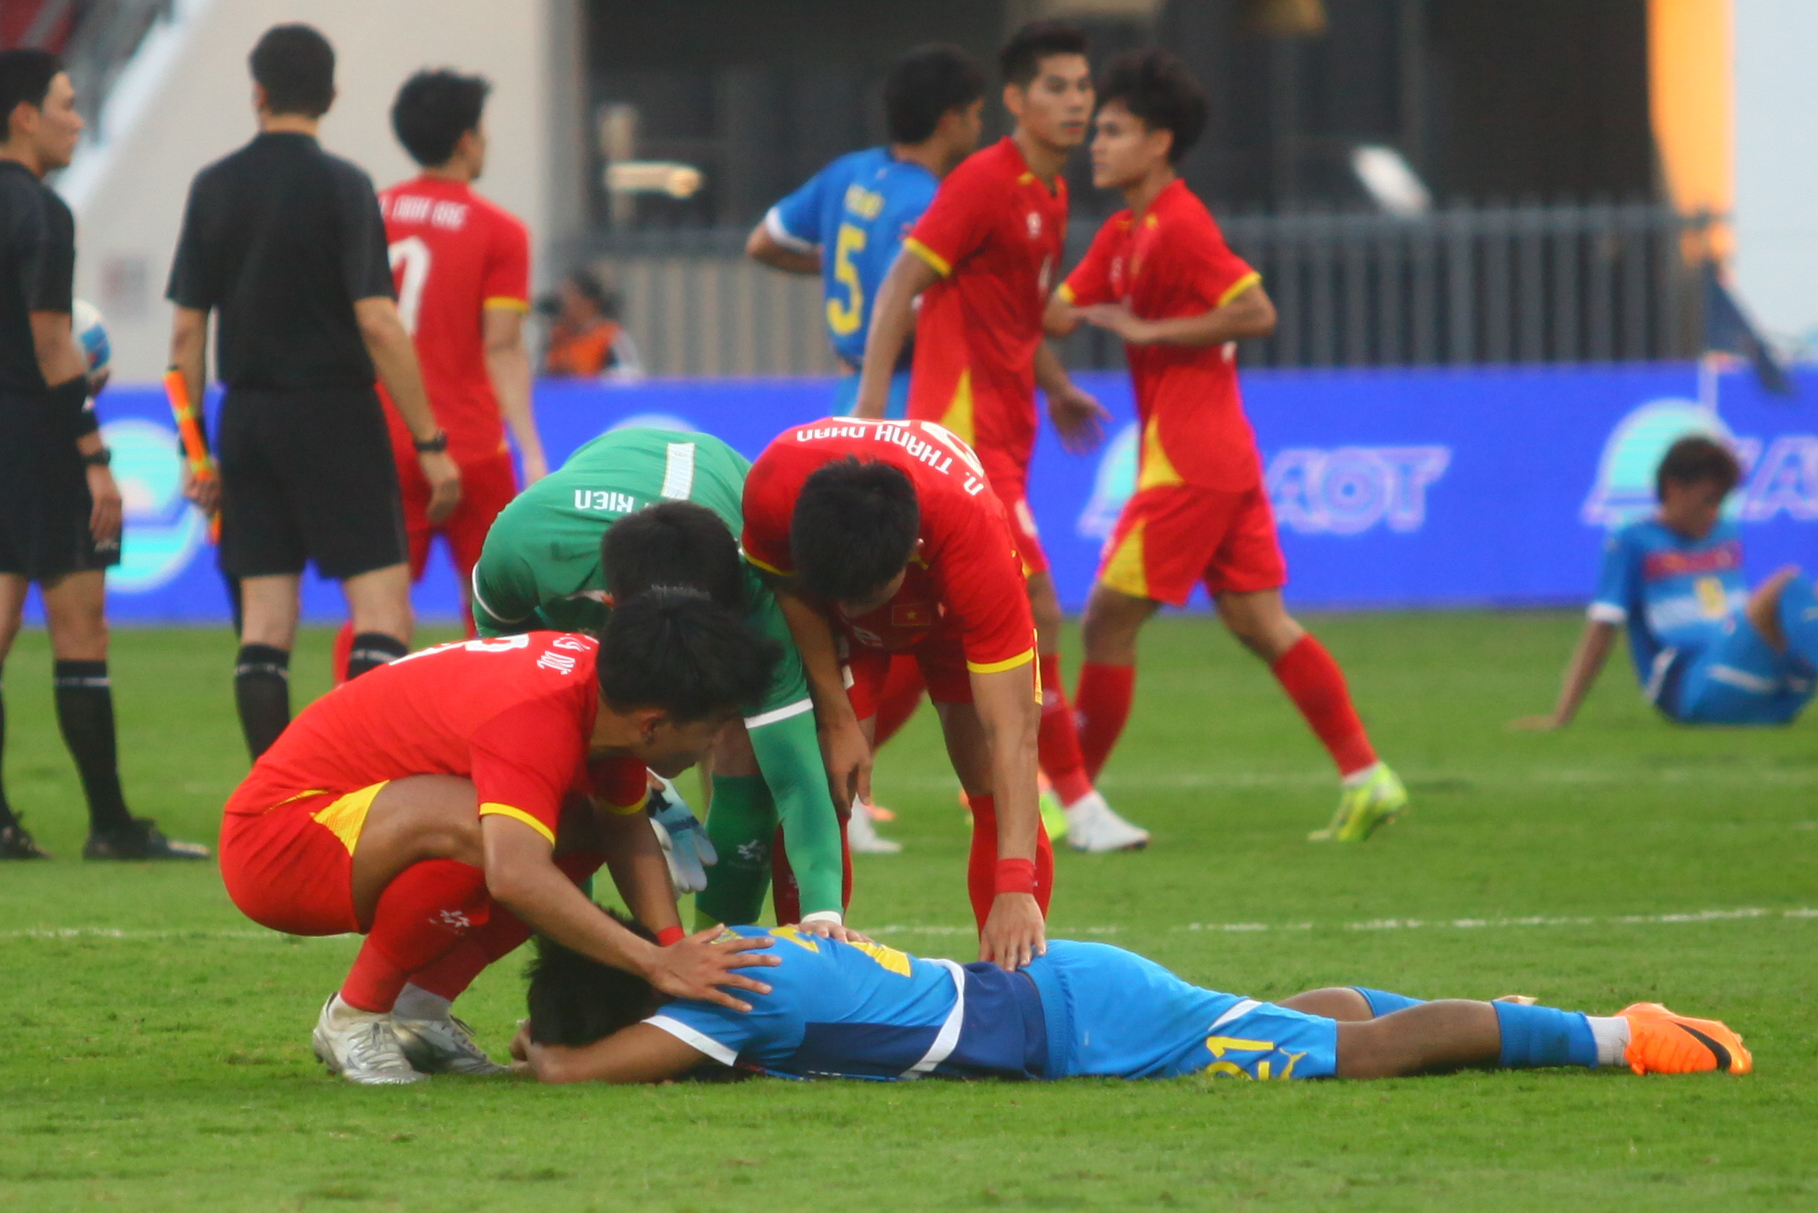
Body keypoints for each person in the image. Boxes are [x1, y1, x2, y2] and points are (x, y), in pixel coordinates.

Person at [219, 590, 799, 1085]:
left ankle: (420, 1012)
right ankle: (355, 1016)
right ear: (653, 724)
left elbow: (622, 827)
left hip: (353, 827)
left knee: (575, 826)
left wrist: (674, 954)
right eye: (713, 726)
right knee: (503, 836)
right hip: (278, 846)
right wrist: (653, 963)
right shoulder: (539, 716)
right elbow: (515, 876)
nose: (715, 743)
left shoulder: (608, 698)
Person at [1046, 51, 1407, 844]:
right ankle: (1367, 776)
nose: (1096, 143)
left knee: (1106, 621)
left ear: (1159, 142)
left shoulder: (1180, 223)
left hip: (1189, 459)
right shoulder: (1122, 233)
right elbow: (1055, 314)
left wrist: (1152, 331)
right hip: (1220, 454)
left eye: (1114, 130)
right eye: (1096, 130)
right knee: (1257, 620)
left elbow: (1256, 311)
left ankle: (1070, 798)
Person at [853, 22, 1145, 852]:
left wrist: (1056, 387)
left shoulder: (1049, 193)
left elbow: (1017, 314)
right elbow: (902, 283)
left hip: (1011, 431)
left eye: (1082, 86)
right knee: (1038, 607)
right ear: (1015, 99)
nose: (1076, 101)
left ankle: (840, 786)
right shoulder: (983, 181)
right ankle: (1078, 802)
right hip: (961, 438)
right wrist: (871, 409)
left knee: (926, 629)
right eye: (1056, 86)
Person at [166, 24, 461, 760]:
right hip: (336, 413)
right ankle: (360, 782)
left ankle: (271, 796)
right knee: (382, 610)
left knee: (265, 623)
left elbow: (185, 336)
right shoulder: (345, 185)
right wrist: (430, 441)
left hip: (247, 417)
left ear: (258, 93)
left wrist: (194, 451)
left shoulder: (212, 186)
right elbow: (379, 322)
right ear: (331, 94)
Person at [515, 914, 1752, 1085]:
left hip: (1084, 1025)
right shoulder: (727, 947)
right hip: (1065, 991)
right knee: (1282, 1021)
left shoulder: (712, 1000)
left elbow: (588, 1070)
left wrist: (547, 1057)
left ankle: (1615, 1037)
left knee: (1357, 1061)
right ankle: (1480, 1007)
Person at [469, 427, 847, 929]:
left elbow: (796, 774)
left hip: (720, 488)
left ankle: (717, 954)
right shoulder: (523, 550)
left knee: (746, 752)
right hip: (586, 516)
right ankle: (571, 956)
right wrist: (612, 763)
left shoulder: (751, 587)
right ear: (611, 606)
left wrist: (823, 910)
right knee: (557, 765)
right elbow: (511, 681)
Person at [742, 418, 1067, 968]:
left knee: (990, 783)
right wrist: (837, 718)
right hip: (821, 611)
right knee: (819, 783)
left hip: (948, 612)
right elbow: (790, 590)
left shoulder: (975, 542)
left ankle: (1010, 985)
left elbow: (1012, 732)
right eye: (842, 596)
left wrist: (1015, 885)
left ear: (912, 551)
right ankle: (812, 974)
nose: (854, 607)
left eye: (867, 596)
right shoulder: (774, 487)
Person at [0, 50, 207, 861]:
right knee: (80, 626)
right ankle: (112, 826)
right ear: (24, 116)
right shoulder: (42, 212)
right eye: (66, 104)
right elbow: (54, 340)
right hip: (36, 436)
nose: (78, 120)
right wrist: (93, 454)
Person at [327, 69, 546, 680]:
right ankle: (494, 725)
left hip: (379, 441)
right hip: (471, 446)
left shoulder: (366, 212)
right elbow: (502, 346)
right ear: (467, 140)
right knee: (499, 614)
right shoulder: (501, 232)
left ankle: (349, 727)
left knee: (376, 611)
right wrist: (531, 449)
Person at [747, 43, 985, 421]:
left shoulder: (848, 172)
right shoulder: (925, 202)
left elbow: (762, 244)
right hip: (903, 394)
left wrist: (843, 268)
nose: (979, 126)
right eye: (975, 114)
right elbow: (905, 311)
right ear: (949, 120)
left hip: (850, 390)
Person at [1514, 435, 1818, 730]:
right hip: (1693, 685)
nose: (1714, 512)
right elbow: (1603, 628)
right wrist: (1562, 715)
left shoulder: (1725, 533)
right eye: (1708, 500)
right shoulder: (1633, 541)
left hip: (1761, 693)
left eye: (1721, 502)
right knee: (1787, 583)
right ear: (1673, 488)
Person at [540, 269, 640, 378]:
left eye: (569, 294)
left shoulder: (610, 336)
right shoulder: (556, 336)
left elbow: (629, 375)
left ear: (589, 302)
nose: (562, 302)